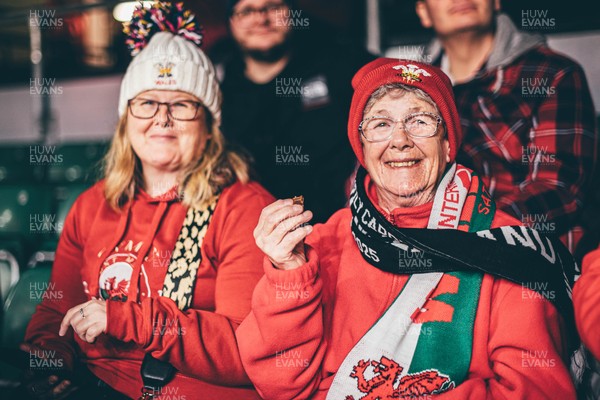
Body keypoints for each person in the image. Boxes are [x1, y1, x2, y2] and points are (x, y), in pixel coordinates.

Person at [236, 59, 578, 399]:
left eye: (420, 121)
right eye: (381, 124)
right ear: (362, 148)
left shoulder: (508, 250)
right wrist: (289, 275)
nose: (399, 140)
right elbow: (280, 386)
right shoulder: (322, 243)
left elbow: (535, 392)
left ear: (447, 145)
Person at [22, 2, 272, 399]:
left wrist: (129, 319)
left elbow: (246, 352)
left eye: (182, 104)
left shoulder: (243, 208)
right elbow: (57, 312)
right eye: (147, 102)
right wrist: (52, 363)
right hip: (94, 382)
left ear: (209, 126)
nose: (162, 118)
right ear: (127, 119)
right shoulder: (91, 204)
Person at [414, 0, 598, 261]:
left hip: (531, 260)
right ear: (423, 12)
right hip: (428, 254)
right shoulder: (411, 90)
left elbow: (556, 188)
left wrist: (466, 231)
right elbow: (370, 177)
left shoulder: (551, 74)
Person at [216, 0, 372, 223]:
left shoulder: (339, 61)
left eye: (273, 7)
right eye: (247, 11)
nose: (261, 18)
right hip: (247, 231)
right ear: (231, 20)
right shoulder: (218, 85)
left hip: (340, 228)